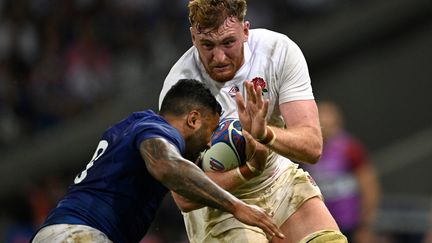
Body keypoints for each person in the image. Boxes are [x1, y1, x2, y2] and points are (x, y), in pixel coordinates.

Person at [158, 0, 347, 242]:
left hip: (277, 178)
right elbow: (184, 196)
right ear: (193, 38)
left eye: (228, 43)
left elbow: (312, 147)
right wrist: (248, 170)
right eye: (207, 45)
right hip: (219, 203)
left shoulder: (278, 52)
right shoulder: (179, 91)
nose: (219, 57)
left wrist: (265, 135)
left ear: (245, 31)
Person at [31, 79, 284, 243]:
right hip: (79, 235)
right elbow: (167, 166)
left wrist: (248, 171)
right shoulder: (158, 129)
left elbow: (187, 195)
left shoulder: (135, 126)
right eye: (210, 131)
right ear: (193, 119)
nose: (209, 144)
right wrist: (237, 207)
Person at [303, 101, 381, 243]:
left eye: (327, 122)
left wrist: (366, 226)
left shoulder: (350, 149)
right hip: (325, 227)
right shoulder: (309, 152)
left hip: (352, 225)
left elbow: (370, 186)